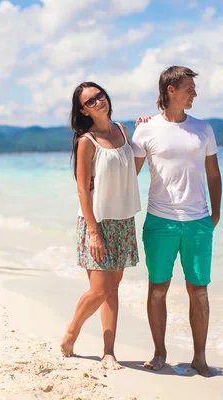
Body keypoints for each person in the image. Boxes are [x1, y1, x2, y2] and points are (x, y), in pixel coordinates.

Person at [132, 66, 222, 377]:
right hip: (160, 221)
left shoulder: (203, 128)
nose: (194, 93)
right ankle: (159, 353)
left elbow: (213, 173)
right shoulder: (146, 129)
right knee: (158, 288)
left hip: (198, 223)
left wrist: (216, 214)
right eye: (189, 88)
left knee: (199, 290)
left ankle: (199, 357)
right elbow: (130, 174)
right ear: (171, 90)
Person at [60, 82, 141, 370]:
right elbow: (82, 189)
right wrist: (93, 232)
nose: (98, 102)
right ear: (83, 110)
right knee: (99, 290)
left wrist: (142, 131)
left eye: (100, 95)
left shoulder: (122, 129)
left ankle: (109, 353)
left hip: (122, 220)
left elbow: (129, 170)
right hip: (96, 222)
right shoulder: (86, 141)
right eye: (90, 101)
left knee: (113, 290)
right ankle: (72, 330)